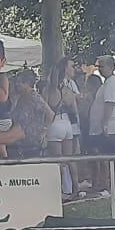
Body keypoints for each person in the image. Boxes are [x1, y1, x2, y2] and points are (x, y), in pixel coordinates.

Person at [42, 57, 82, 198]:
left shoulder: (48, 90)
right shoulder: (68, 90)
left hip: (54, 124)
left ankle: (57, 191)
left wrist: (44, 129)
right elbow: (74, 110)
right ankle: (76, 189)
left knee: (57, 161)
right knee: (70, 159)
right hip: (67, 125)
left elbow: (45, 110)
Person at [91, 54, 115, 191]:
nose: (100, 70)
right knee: (109, 157)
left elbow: (109, 104)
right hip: (112, 124)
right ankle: (110, 186)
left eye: (102, 66)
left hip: (112, 125)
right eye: (98, 67)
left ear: (110, 66)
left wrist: (105, 123)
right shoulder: (109, 82)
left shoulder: (112, 83)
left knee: (113, 157)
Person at [8, 69, 53, 159]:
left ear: (27, 83)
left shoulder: (34, 97)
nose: (17, 84)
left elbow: (50, 113)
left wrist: (44, 131)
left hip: (32, 141)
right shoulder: (20, 98)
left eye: (19, 82)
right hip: (21, 140)